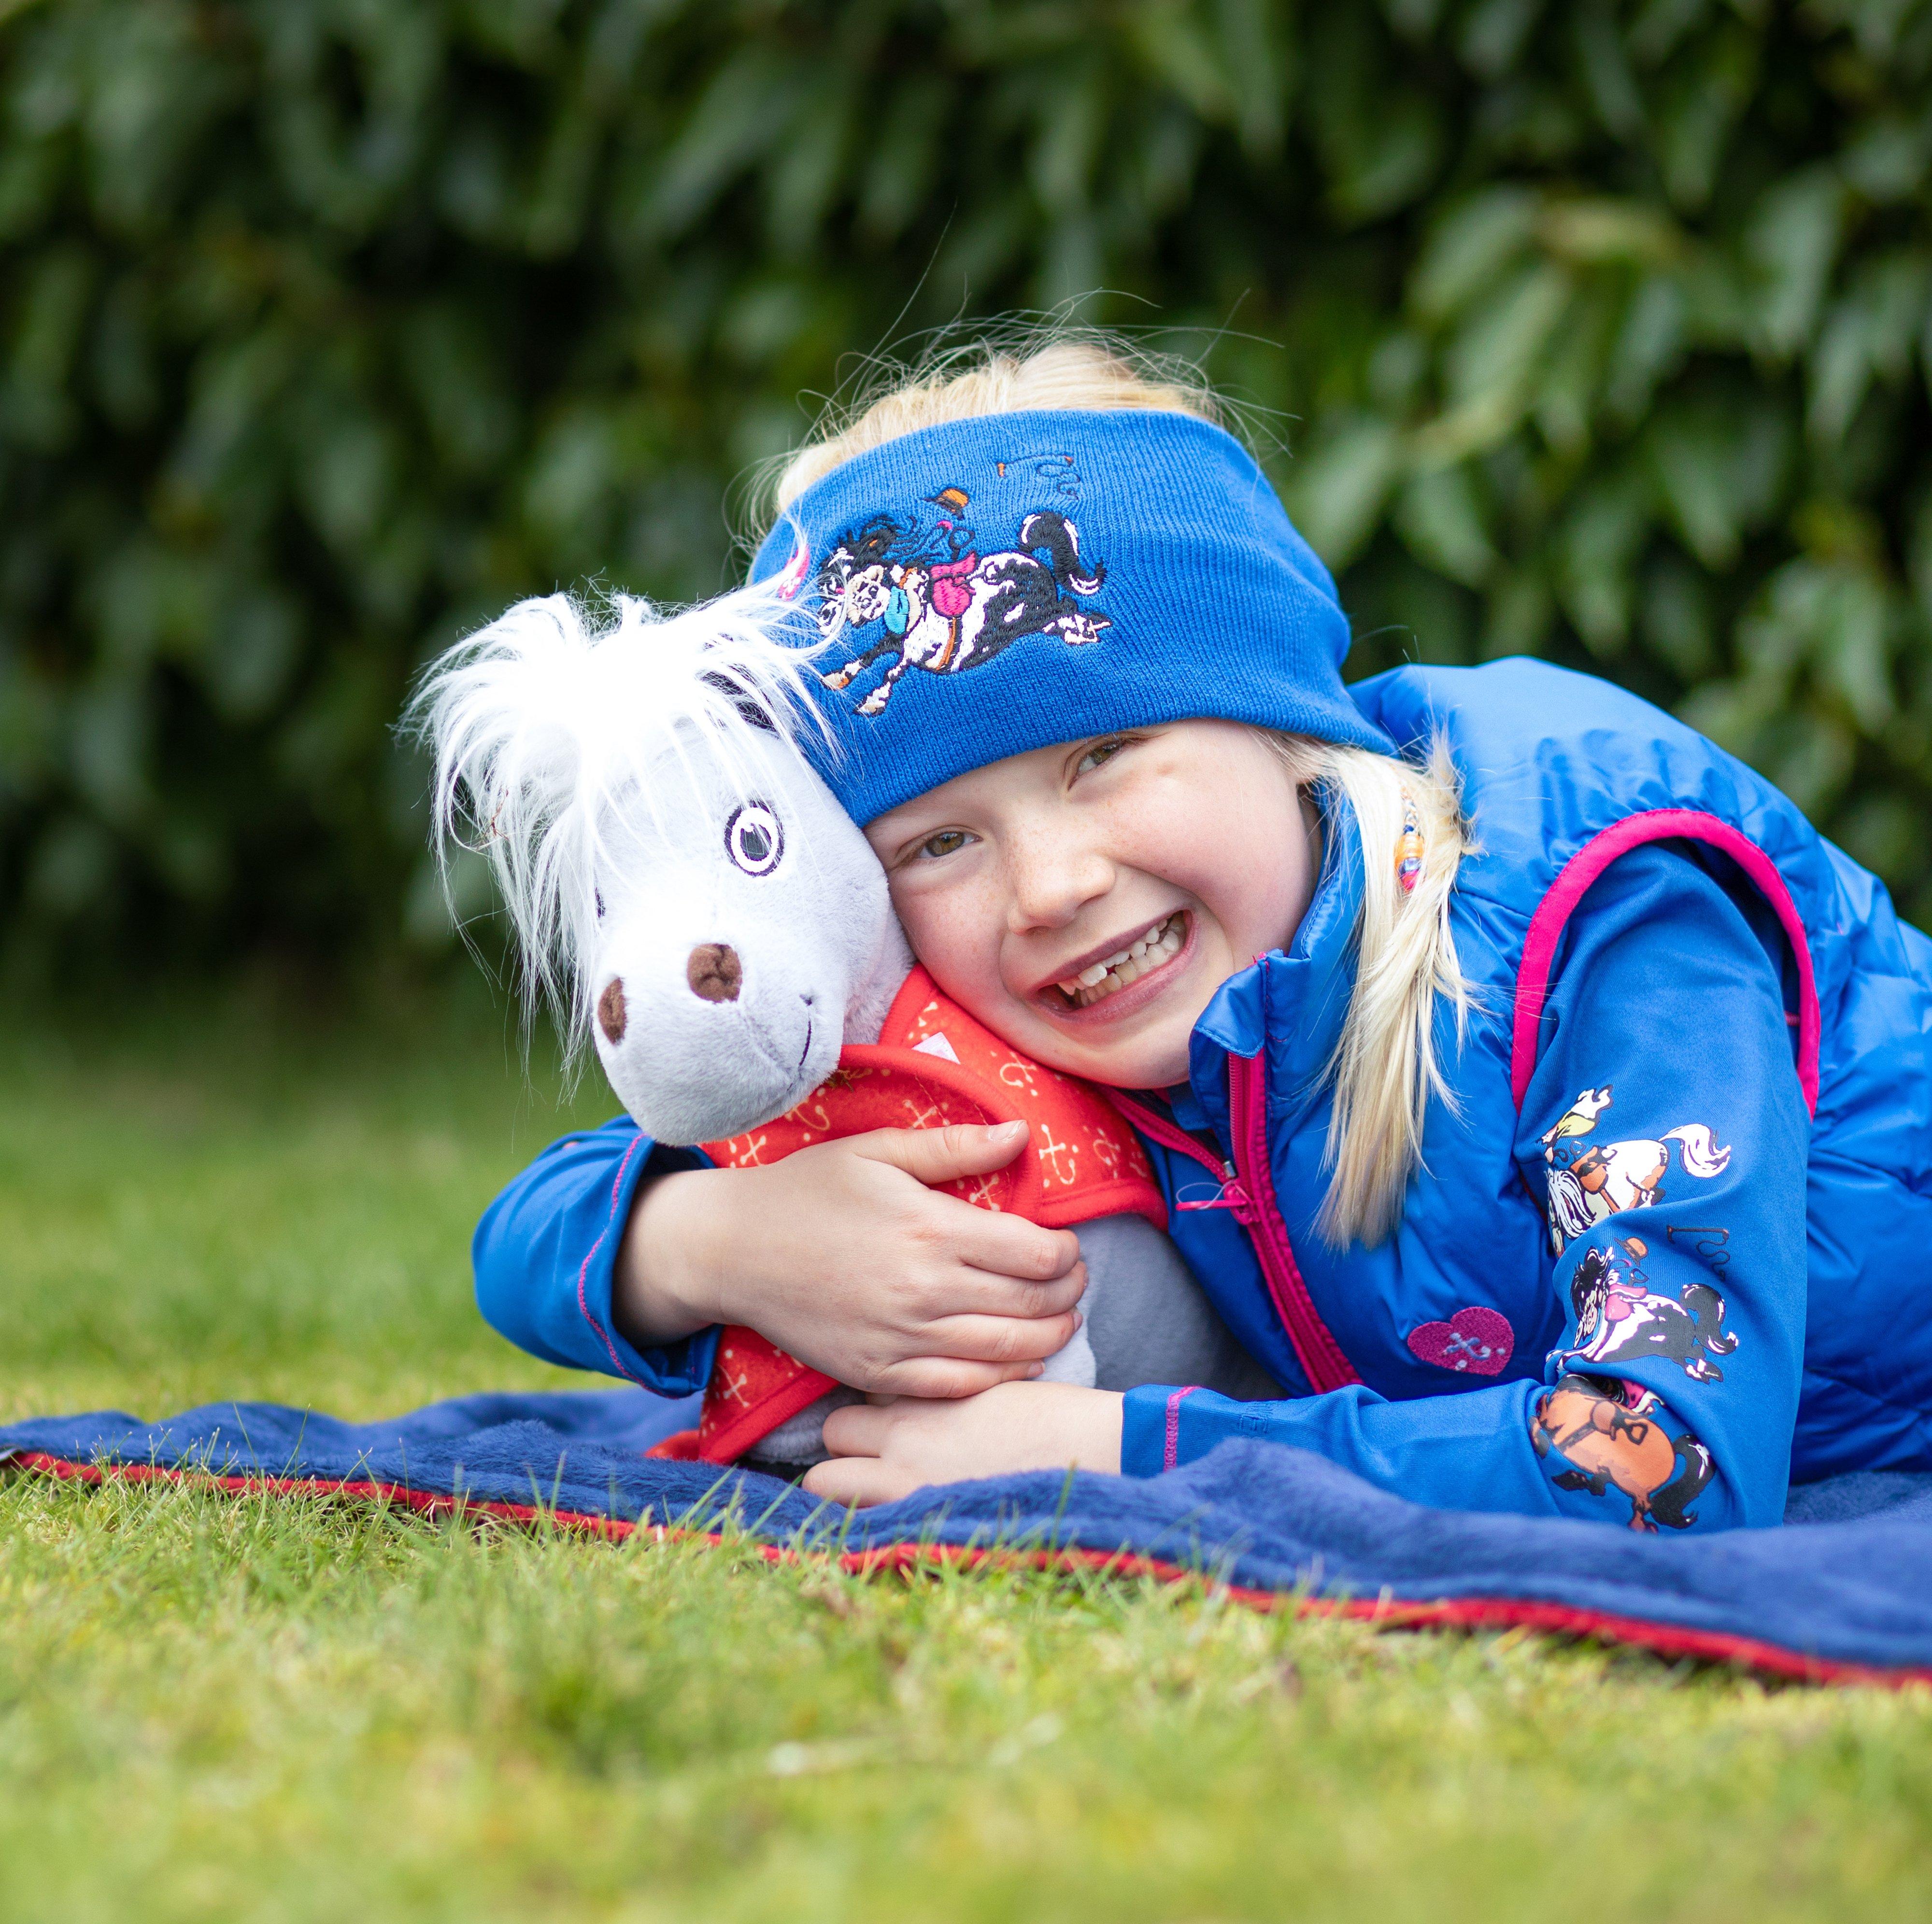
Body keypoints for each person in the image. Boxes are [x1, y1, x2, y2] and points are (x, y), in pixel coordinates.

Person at [471, 337, 1932, 1530]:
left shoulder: (1598, 921)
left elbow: (1660, 1456)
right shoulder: (1058, 970)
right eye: (938, 838)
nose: (1045, 886)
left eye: (1103, 756)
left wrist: (1101, 1447)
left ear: (1280, 717)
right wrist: (717, 1241)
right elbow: (521, 1235)